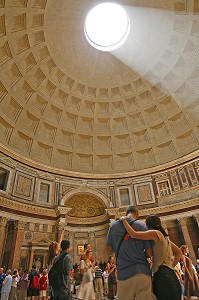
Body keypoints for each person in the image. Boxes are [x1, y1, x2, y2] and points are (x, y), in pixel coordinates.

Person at [120, 213, 182, 300]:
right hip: (170, 274)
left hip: (163, 276)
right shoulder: (165, 238)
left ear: (148, 224)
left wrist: (123, 220)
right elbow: (178, 252)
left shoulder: (155, 233)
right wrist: (171, 266)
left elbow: (134, 234)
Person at [106, 206, 155, 300]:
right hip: (142, 271)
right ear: (136, 215)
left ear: (126, 213)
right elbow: (149, 253)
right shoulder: (142, 226)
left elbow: (108, 249)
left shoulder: (114, 226)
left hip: (124, 273)